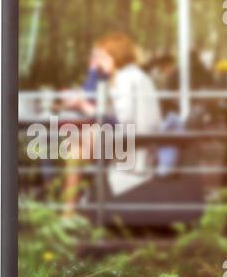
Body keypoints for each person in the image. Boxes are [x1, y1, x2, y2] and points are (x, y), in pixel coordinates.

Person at [60, 31, 162, 207]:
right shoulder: (135, 75)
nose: (98, 62)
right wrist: (94, 75)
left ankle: (69, 210)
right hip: (140, 142)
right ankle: (79, 201)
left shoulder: (125, 78)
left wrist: (85, 106)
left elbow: (122, 120)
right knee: (76, 143)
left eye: (102, 57)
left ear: (114, 56)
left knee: (74, 148)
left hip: (133, 145)